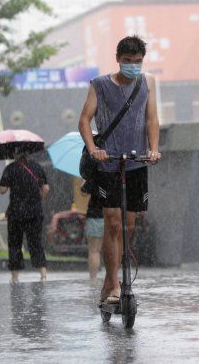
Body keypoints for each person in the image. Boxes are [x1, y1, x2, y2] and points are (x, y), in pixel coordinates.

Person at [78, 35, 161, 304]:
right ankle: (113, 283)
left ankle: (115, 277)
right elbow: (84, 120)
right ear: (117, 59)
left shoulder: (148, 82)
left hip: (136, 162)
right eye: (128, 61)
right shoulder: (100, 85)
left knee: (129, 224)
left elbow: (151, 118)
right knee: (112, 222)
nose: (133, 67)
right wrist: (93, 149)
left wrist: (154, 148)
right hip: (108, 163)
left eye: (138, 62)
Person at [0, 148, 50, 283]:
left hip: (16, 213)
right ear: (28, 153)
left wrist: (12, 183)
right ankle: (43, 274)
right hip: (34, 212)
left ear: (16, 154)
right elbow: (46, 188)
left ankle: (15, 276)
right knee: (35, 242)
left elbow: (2, 190)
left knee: (15, 244)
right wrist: (40, 199)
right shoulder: (36, 167)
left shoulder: (11, 168)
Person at [81, 181, 104, 280]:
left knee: (94, 250)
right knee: (110, 249)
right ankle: (112, 278)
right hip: (112, 215)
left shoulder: (94, 175)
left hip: (95, 216)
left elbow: (83, 192)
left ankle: (93, 278)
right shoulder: (114, 172)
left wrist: (83, 181)